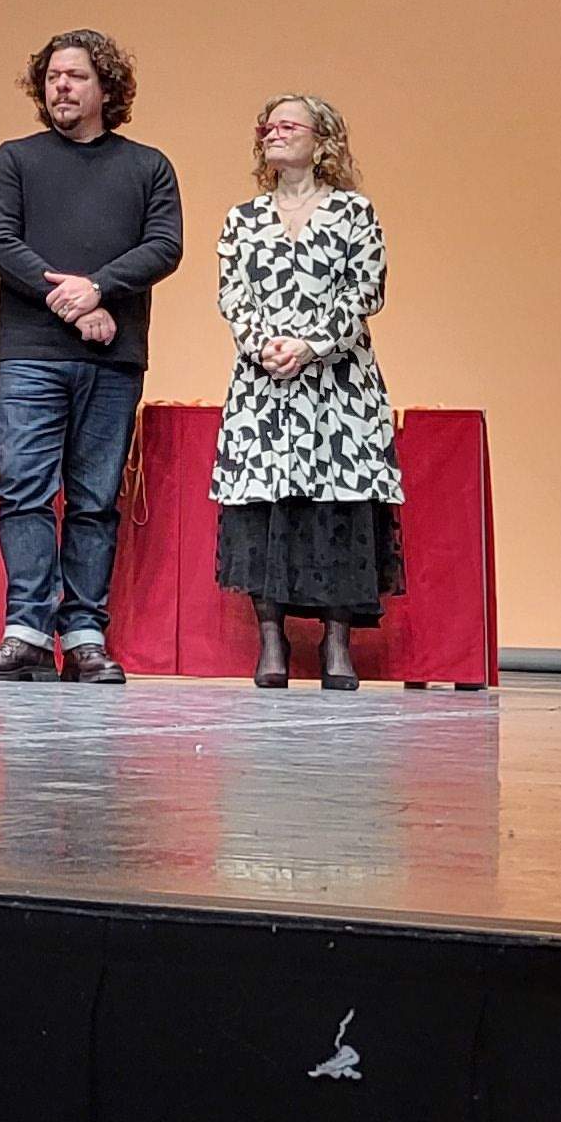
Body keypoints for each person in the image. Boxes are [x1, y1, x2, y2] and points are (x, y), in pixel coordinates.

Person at [0, 29, 184, 685]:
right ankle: (26, 632)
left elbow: (165, 246)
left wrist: (101, 289)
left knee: (93, 500)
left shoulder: (148, 166)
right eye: (53, 77)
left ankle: (85, 635)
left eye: (75, 77)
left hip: (113, 362)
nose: (60, 86)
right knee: (26, 492)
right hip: (31, 355)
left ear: (106, 88)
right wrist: (74, 302)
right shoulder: (15, 159)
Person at [213, 94, 401, 691]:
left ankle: (336, 645)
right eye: (269, 126)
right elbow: (232, 295)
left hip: (338, 388)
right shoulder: (242, 219)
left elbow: (364, 292)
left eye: (290, 125)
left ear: (323, 142)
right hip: (264, 386)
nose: (275, 132)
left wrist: (311, 346)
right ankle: (272, 643)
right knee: (265, 510)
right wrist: (263, 344)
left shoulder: (353, 212)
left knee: (337, 510)